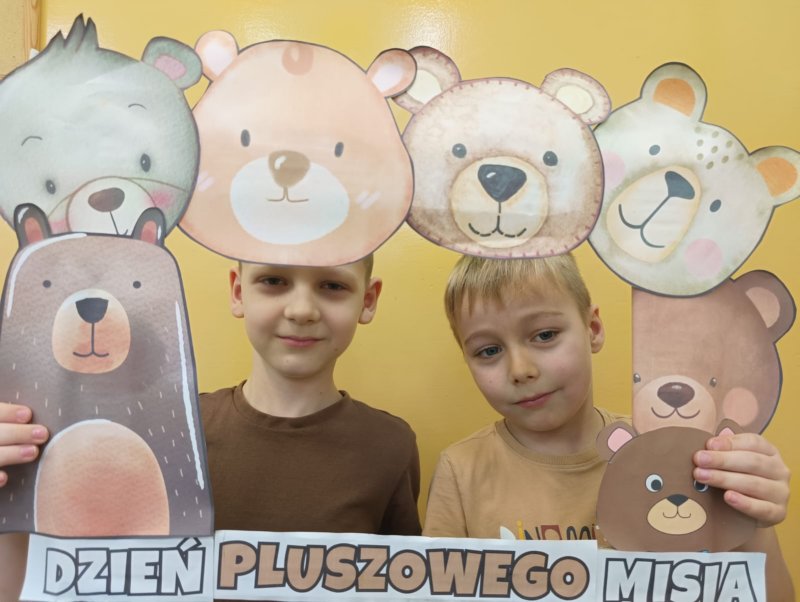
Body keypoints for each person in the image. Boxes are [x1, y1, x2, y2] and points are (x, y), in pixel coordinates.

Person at [0, 254, 421, 599]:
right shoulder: (165, 436)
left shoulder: (390, 446)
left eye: (332, 285)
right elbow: (58, 576)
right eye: (274, 281)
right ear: (238, 291)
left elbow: (405, 586)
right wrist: (11, 493)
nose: (301, 310)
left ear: (368, 300)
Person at [423, 253, 794, 601]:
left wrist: (751, 518)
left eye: (545, 334)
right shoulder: (461, 471)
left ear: (593, 328)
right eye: (488, 351)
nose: (520, 370)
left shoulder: (673, 453)